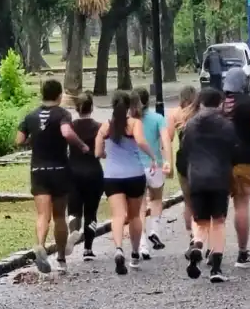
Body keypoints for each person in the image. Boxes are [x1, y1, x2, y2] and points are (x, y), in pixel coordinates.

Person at [16, 79, 88, 274]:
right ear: (59, 95)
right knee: (59, 216)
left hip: (38, 170)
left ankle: (40, 245)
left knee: (42, 214)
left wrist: (33, 139)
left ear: (42, 94)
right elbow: (66, 132)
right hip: (59, 170)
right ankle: (62, 258)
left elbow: (19, 139)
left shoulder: (30, 115)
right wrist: (81, 145)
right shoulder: (62, 114)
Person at [95, 91, 158, 275]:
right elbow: (140, 141)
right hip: (134, 175)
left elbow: (98, 152)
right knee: (135, 216)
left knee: (117, 216)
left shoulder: (106, 126)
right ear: (129, 105)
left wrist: (106, 153)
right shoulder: (134, 124)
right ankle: (135, 253)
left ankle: (118, 249)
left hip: (112, 177)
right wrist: (153, 157)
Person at [182, 88, 239, 283]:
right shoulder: (226, 125)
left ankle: (197, 245)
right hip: (219, 177)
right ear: (219, 103)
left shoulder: (190, 124)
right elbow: (233, 150)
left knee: (201, 221)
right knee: (219, 221)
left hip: (197, 177)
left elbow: (185, 150)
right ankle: (216, 267)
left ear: (201, 102)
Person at [221, 67, 250, 268]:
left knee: (218, 208)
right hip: (244, 158)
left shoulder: (220, 103)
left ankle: (213, 250)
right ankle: (242, 252)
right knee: (241, 205)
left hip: (220, 160)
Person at [134, 88, 172, 260]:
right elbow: (165, 140)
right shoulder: (158, 118)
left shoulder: (130, 120)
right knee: (156, 199)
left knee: (139, 207)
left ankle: (142, 245)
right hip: (154, 165)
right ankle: (154, 230)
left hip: (135, 167)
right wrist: (167, 161)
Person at [67, 91, 104, 261]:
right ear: (92, 107)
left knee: (74, 209)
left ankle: (73, 230)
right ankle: (88, 248)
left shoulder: (70, 127)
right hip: (94, 173)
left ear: (76, 108)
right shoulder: (98, 127)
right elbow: (102, 151)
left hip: (73, 171)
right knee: (91, 211)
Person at [167, 86, 199, 247]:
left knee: (188, 201)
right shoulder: (199, 112)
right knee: (202, 199)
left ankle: (191, 235)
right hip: (199, 158)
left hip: (183, 158)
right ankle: (203, 234)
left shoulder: (174, 113)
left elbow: (169, 137)